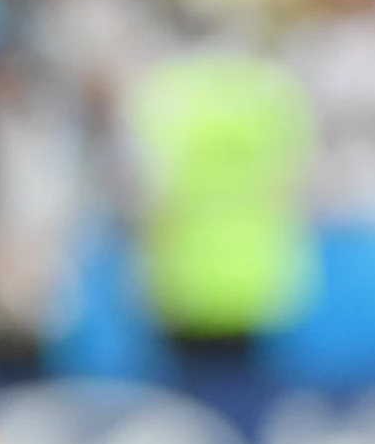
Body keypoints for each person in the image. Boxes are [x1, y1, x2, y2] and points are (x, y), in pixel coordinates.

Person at [125, 30, 317, 416]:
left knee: (190, 419)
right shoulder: (271, 89)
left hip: (183, 280)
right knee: (249, 410)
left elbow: (144, 193)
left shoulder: (165, 90)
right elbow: (299, 181)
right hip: (257, 279)